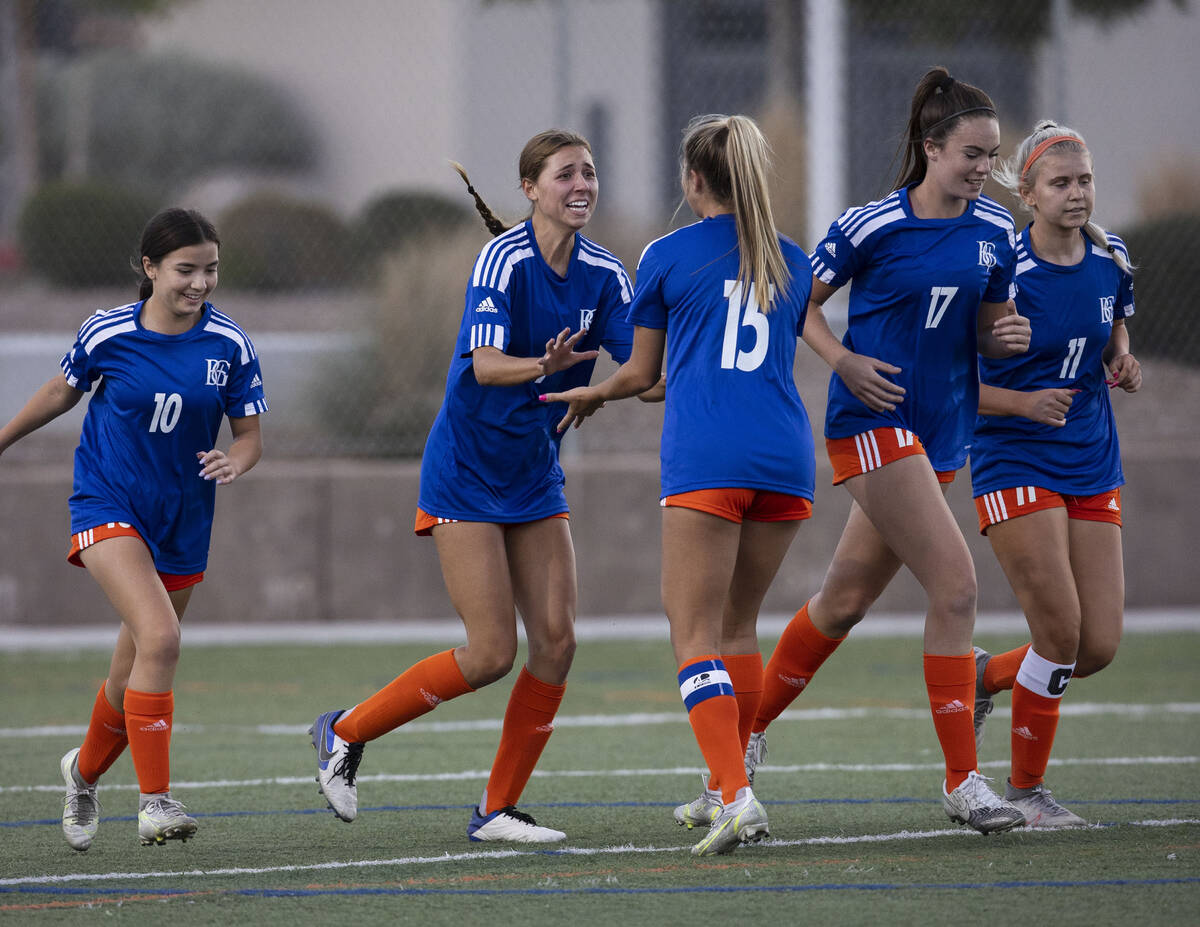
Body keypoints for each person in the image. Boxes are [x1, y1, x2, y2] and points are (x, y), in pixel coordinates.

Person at [309, 129, 637, 844]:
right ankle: (343, 731)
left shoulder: (608, 274)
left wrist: (612, 389)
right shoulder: (502, 259)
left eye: (589, 171)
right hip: (465, 471)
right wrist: (547, 370)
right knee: (491, 652)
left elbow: (642, 366)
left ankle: (496, 809)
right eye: (564, 174)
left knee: (557, 642)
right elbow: (486, 366)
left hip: (533, 473)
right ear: (530, 189)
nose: (581, 184)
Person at [745, 67, 1032, 834]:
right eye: (972, 153)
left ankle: (744, 731)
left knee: (843, 600)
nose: (983, 168)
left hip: (942, 433)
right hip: (870, 424)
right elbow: (796, 305)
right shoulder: (871, 224)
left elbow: (987, 329)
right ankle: (964, 780)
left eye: (992, 155)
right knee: (959, 587)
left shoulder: (998, 232)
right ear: (931, 147)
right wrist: (840, 361)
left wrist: (1004, 336)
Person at [544, 113, 816, 855]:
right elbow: (748, 353)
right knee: (738, 627)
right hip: (787, 459)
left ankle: (736, 795)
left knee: (694, 631)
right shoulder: (791, 259)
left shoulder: (666, 254)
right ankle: (725, 778)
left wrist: (591, 393)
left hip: (709, 456)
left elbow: (642, 374)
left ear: (694, 180)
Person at [0, 208, 266, 850]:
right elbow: (62, 393)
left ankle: (82, 775)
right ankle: (155, 803)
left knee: (131, 674)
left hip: (184, 518)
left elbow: (250, 434)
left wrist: (237, 460)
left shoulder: (230, 344)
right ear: (150, 269)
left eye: (211, 270)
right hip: (108, 503)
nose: (200, 283)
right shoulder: (107, 332)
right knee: (162, 636)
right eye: (185, 270)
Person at [969, 121, 1139, 827]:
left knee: (1096, 643)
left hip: (1092, 455)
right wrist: (1021, 401)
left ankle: (982, 675)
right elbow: (951, 379)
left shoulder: (1112, 255)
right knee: (1061, 629)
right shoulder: (1002, 272)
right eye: (1061, 183)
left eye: (1086, 181)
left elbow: (1114, 326)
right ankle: (1026, 792)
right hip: (1015, 455)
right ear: (1029, 193)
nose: (1077, 194)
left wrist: (1121, 358)